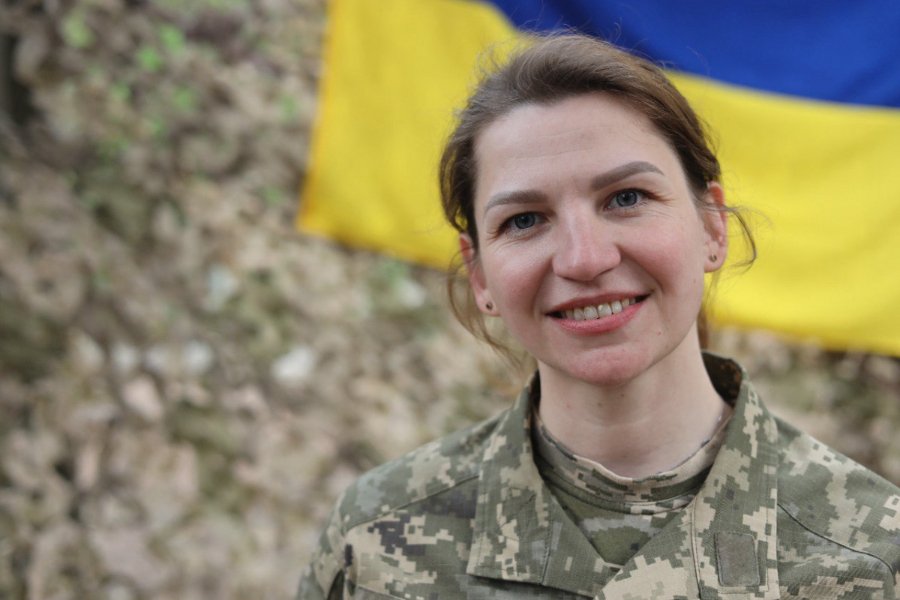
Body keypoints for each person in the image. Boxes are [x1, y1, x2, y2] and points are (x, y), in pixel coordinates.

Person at [298, 34, 900, 599]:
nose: (584, 259)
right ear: (479, 275)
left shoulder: (872, 551)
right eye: (525, 220)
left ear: (712, 226)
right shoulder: (376, 540)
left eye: (627, 198)